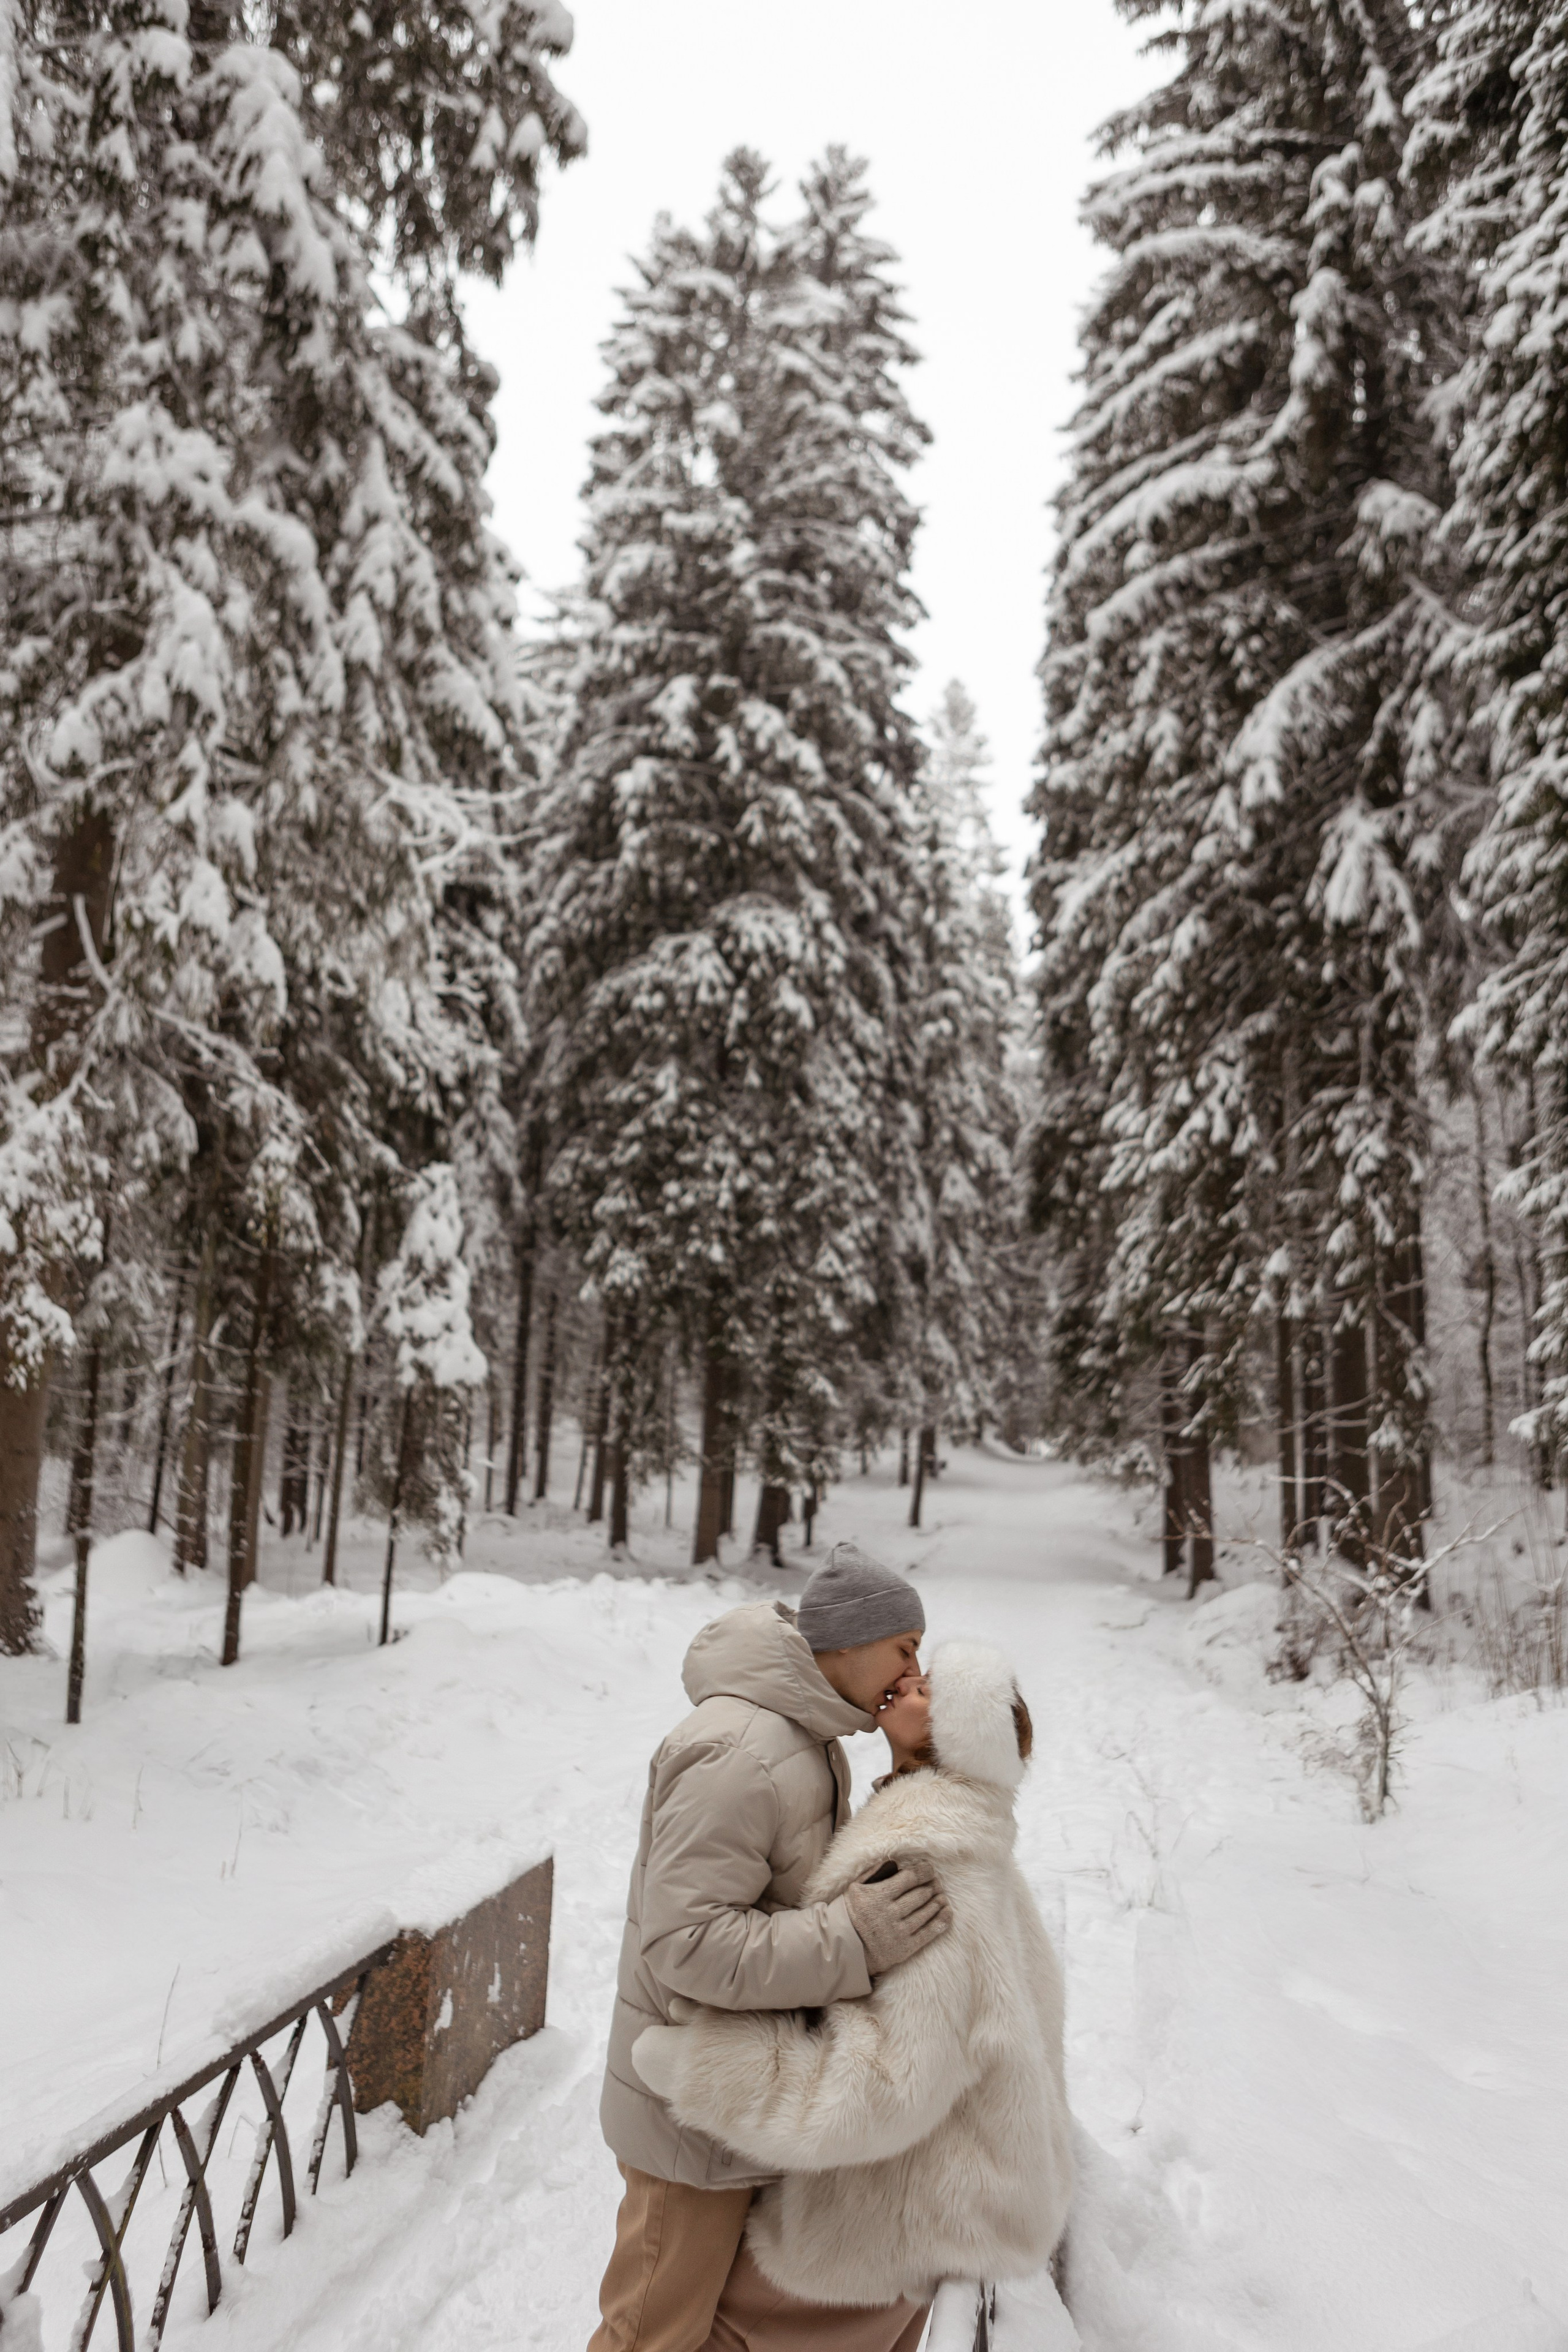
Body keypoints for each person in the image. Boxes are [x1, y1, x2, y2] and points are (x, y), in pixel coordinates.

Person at [632, 1640, 1074, 2352]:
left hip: (894, 2226)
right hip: (945, 2211)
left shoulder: (926, 1861)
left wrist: (701, 2067)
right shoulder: (968, 1838)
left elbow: (882, 2088)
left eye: (928, 1687)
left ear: (955, 1735)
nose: (907, 1682)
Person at [589, 1542, 951, 2352]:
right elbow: (684, 1945)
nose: (910, 1667)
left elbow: (790, 1889)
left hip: (738, 2091)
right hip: (685, 2125)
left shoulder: (804, 1739)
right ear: (849, 1645)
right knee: (652, 2334)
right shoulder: (740, 1750)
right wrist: (851, 1937)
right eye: (904, 1647)